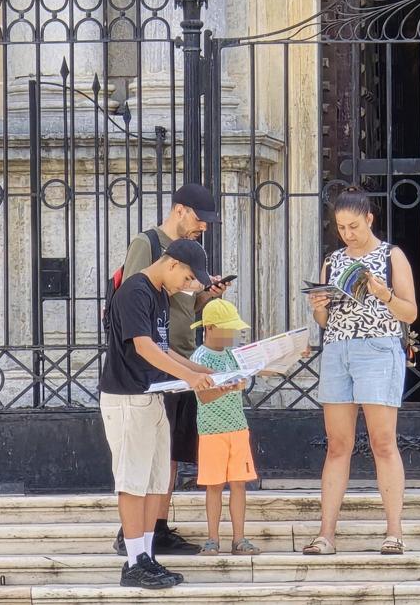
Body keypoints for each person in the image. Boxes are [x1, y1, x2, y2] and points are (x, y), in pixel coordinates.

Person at [113, 183, 231, 556]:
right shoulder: (147, 245)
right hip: (153, 366)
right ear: (179, 210)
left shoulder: (186, 257)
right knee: (147, 456)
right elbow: (135, 303)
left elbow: (176, 306)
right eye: (200, 219)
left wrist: (203, 297)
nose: (203, 227)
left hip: (179, 356)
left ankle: (157, 529)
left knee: (171, 451)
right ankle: (134, 538)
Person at [303, 186, 418, 557]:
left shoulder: (391, 256)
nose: (347, 234)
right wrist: (318, 306)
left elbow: (410, 312)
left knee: (383, 442)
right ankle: (326, 535)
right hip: (338, 350)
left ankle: (394, 532)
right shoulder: (333, 260)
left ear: (369, 219)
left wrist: (383, 294)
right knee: (337, 445)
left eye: (353, 226)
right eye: (341, 227)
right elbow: (325, 320)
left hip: (378, 349)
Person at [100, 238, 218, 589]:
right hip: (127, 397)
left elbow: (164, 350)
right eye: (187, 278)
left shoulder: (161, 296)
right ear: (172, 263)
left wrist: (202, 372)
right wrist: (190, 377)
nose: (188, 286)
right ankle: (134, 561)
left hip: (151, 396)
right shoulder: (135, 292)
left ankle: (146, 556)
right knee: (132, 481)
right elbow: (144, 347)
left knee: (154, 481)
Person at [189, 299, 262, 557]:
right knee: (214, 486)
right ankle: (212, 539)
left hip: (237, 428)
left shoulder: (233, 354)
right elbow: (203, 396)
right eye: (227, 329)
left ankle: (239, 539)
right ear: (209, 328)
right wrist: (228, 387)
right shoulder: (199, 358)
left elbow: (258, 367)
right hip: (212, 431)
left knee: (239, 484)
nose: (232, 335)